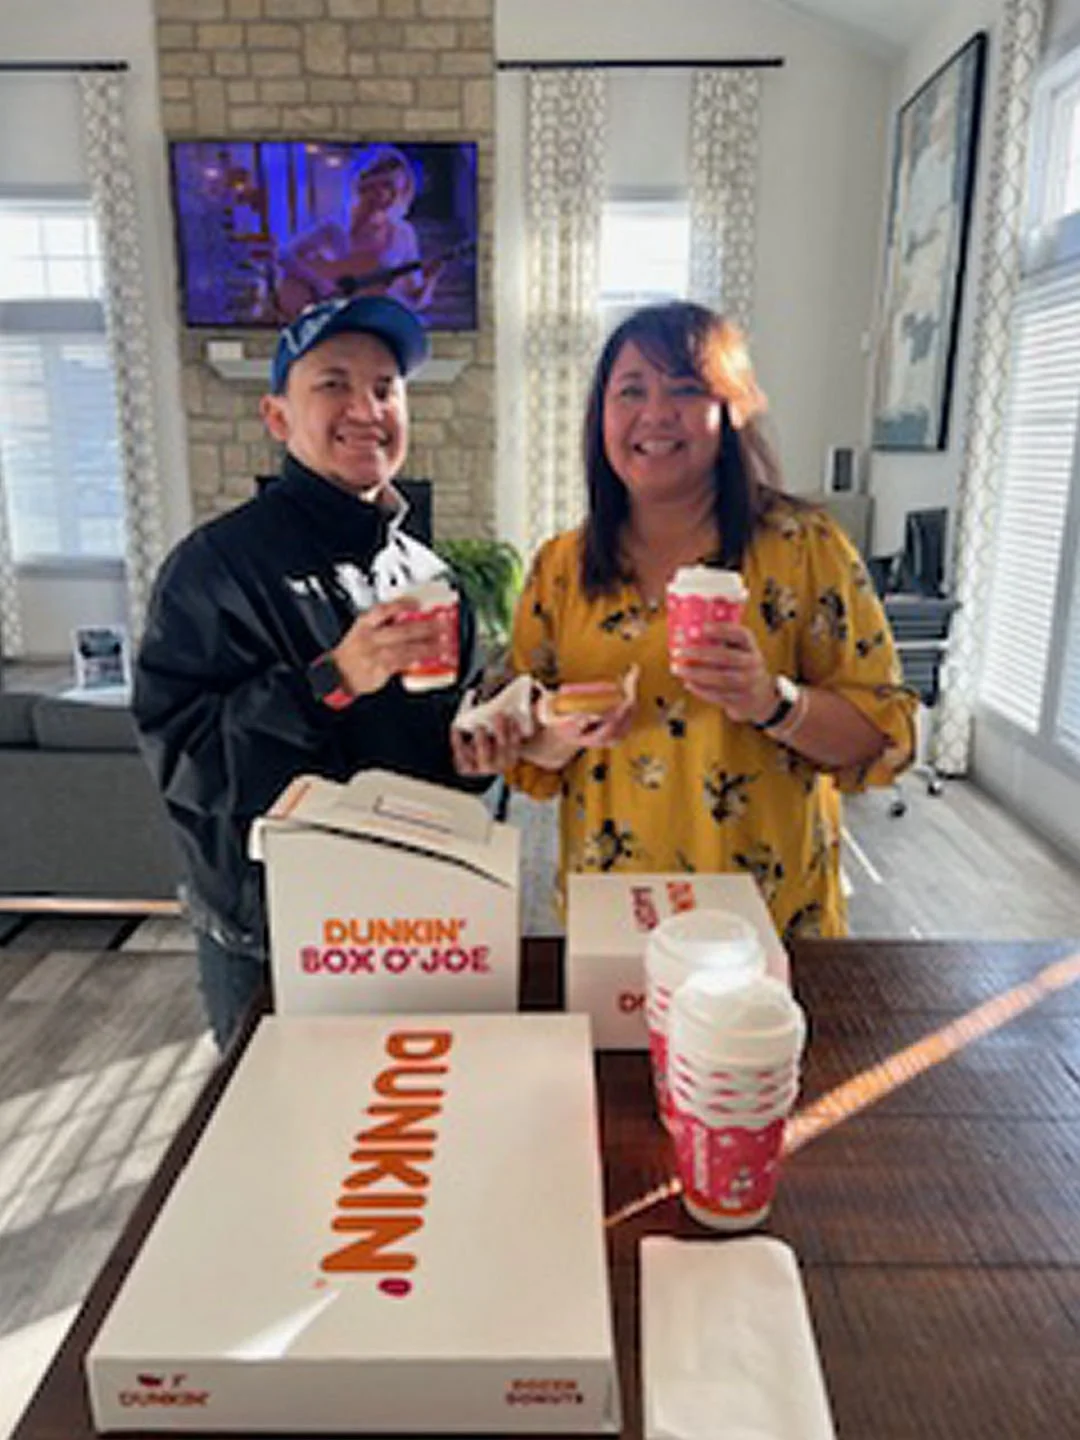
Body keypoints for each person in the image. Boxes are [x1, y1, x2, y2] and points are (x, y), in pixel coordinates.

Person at [457, 302, 917, 943]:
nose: (654, 414)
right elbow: (533, 751)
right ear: (601, 418)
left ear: (730, 411)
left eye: (684, 390)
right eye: (631, 391)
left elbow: (880, 735)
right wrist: (552, 731)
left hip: (769, 919)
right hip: (617, 919)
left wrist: (772, 702)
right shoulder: (562, 566)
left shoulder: (804, 547)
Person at [134, 294, 499, 1049]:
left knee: (407, 1129)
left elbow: (434, 761)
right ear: (277, 417)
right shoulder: (212, 569)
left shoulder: (431, 578)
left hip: (412, 917)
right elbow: (188, 762)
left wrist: (475, 757)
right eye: (333, 384)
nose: (364, 408)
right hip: (275, 935)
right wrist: (331, 679)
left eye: (384, 387)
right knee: (285, 1140)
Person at [276, 145, 443, 318]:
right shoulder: (335, 227)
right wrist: (321, 284)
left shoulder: (403, 233)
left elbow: (413, 302)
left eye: (395, 189)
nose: (387, 195)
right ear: (363, 184)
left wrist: (430, 278)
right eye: (384, 185)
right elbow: (284, 254)